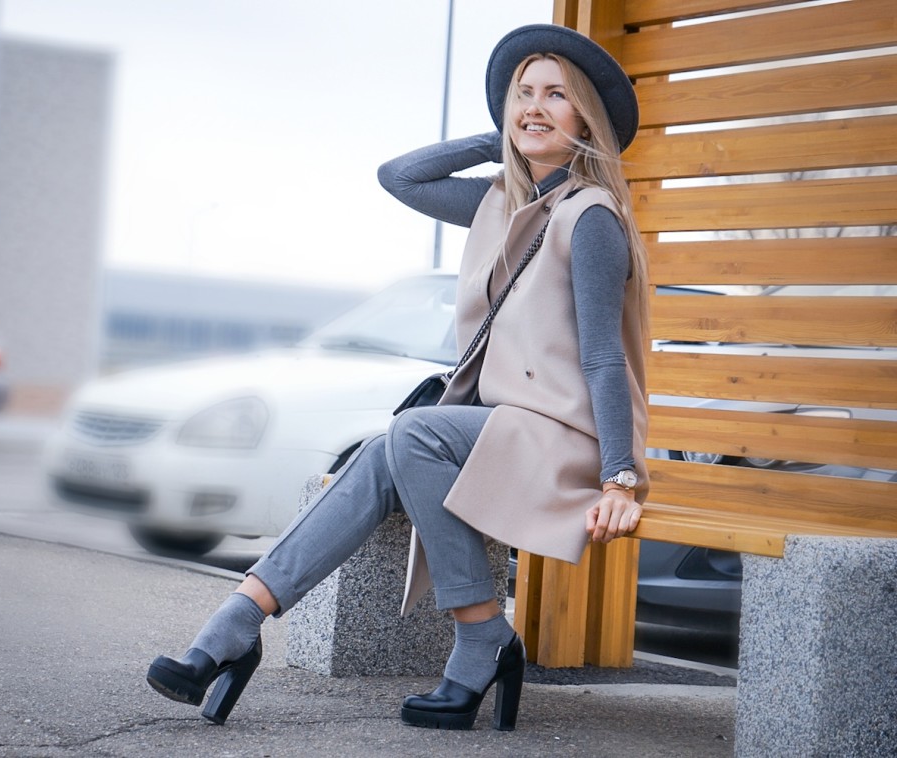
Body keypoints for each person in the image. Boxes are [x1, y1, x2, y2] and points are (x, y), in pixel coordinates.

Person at [146, 23, 649, 733]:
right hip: (505, 426)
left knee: (411, 434)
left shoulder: (591, 218)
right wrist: (502, 137)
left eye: (555, 96)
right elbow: (400, 177)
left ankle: (479, 634)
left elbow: (603, 357)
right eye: (523, 94)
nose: (534, 106)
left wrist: (620, 478)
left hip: (565, 439)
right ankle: (237, 621)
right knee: (388, 448)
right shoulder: (502, 203)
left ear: (587, 119)